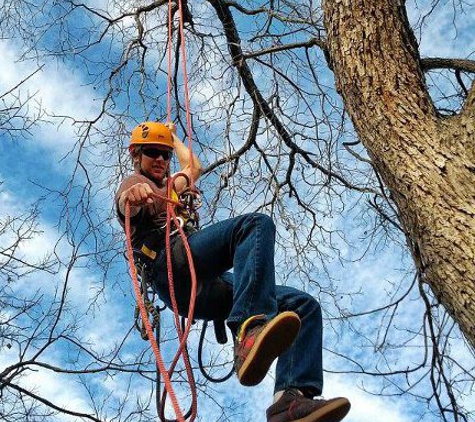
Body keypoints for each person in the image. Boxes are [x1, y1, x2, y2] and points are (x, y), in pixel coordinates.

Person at [116, 121, 351, 422]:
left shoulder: (171, 185)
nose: (161, 159)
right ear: (136, 155)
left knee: (303, 306)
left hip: (205, 287)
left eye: (165, 153)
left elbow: (194, 166)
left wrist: (172, 137)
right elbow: (127, 205)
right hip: (171, 266)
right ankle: (249, 328)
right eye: (152, 152)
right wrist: (131, 198)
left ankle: (289, 403)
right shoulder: (136, 183)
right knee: (254, 226)